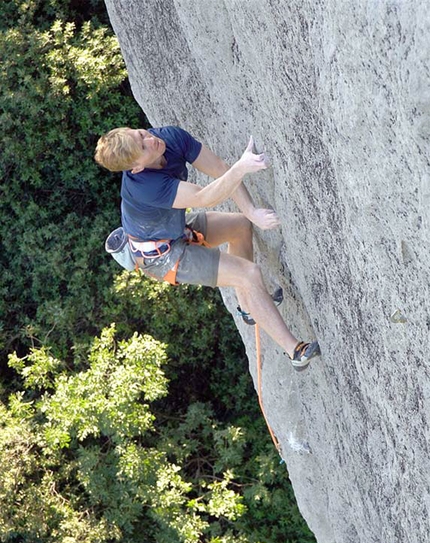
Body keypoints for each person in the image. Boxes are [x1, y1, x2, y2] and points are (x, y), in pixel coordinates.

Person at [95, 125, 320, 370]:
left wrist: (252, 212)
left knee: (242, 225)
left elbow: (220, 169)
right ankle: (295, 351)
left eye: (140, 133)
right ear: (136, 167)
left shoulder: (168, 137)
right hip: (162, 257)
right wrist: (242, 167)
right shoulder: (145, 187)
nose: (150, 139)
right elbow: (204, 197)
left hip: (175, 231)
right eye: (143, 146)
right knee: (249, 274)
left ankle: (248, 308)